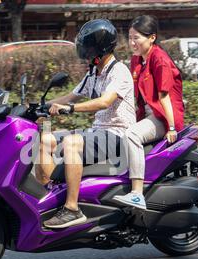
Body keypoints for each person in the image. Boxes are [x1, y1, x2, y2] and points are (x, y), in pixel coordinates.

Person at [35, 19, 136, 228]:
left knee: (72, 143)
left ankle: (72, 209)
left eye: (89, 49)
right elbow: (70, 97)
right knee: (45, 139)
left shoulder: (119, 72)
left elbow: (105, 101)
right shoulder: (93, 72)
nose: (86, 54)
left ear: (100, 49)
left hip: (118, 135)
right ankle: (49, 200)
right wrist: (38, 106)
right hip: (98, 132)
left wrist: (71, 109)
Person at [113, 15, 185, 209]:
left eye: (137, 37)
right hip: (146, 115)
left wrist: (171, 127)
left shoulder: (160, 59)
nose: (132, 42)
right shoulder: (137, 59)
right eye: (129, 37)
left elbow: (165, 97)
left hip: (163, 116)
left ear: (151, 38)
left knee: (132, 135)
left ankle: (137, 193)